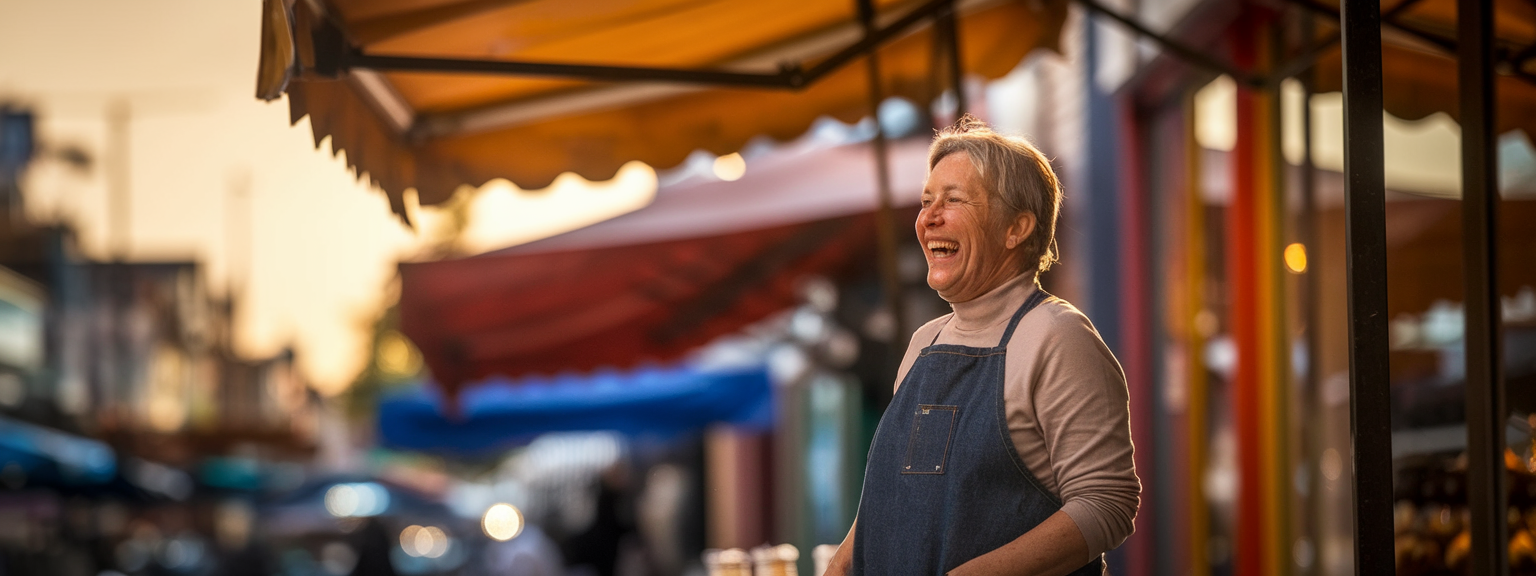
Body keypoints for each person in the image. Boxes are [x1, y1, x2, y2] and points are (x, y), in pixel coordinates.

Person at [824, 117, 1139, 576]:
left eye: (953, 200)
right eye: (926, 201)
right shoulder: (924, 342)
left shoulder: (1056, 335)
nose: (929, 218)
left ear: (1017, 228)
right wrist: (841, 563)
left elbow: (1108, 503)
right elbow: (896, 496)